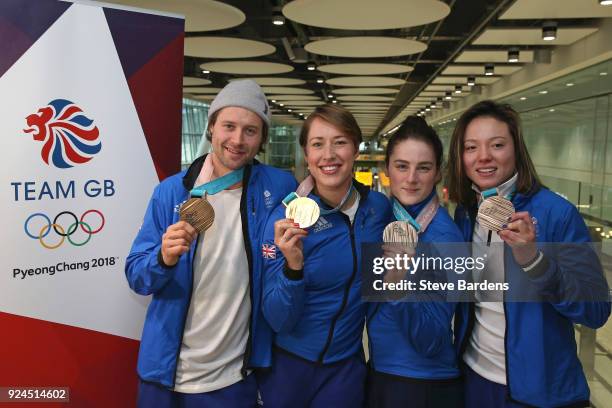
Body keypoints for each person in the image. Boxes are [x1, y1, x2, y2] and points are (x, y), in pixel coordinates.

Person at [125, 80, 297, 407]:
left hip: (233, 379)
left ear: (261, 139)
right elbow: (136, 276)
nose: (237, 140)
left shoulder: (277, 187)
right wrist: (163, 258)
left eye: (250, 130)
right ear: (211, 127)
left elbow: (319, 188)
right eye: (229, 126)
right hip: (166, 375)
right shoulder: (171, 192)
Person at [447, 100, 610, 407]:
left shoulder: (557, 214)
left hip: (540, 392)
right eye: (471, 147)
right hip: (474, 379)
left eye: (497, 145)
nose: (483, 157)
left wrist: (535, 261)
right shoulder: (466, 213)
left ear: (516, 150)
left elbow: (596, 309)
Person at [257, 104, 391, 407]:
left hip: (345, 369)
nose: (328, 155)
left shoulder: (377, 209)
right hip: (289, 368)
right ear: (307, 154)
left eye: (340, 142)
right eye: (318, 144)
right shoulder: (285, 219)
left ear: (356, 149)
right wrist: (293, 267)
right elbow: (278, 320)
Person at [365, 116, 465, 408]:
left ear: (437, 173)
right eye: (402, 166)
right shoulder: (385, 217)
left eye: (423, 168)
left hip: (423, 384)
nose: (411, 178)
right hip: (381, 370)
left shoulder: (447, 240)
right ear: (387, 171)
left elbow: (432, 341)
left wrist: (398, 285)